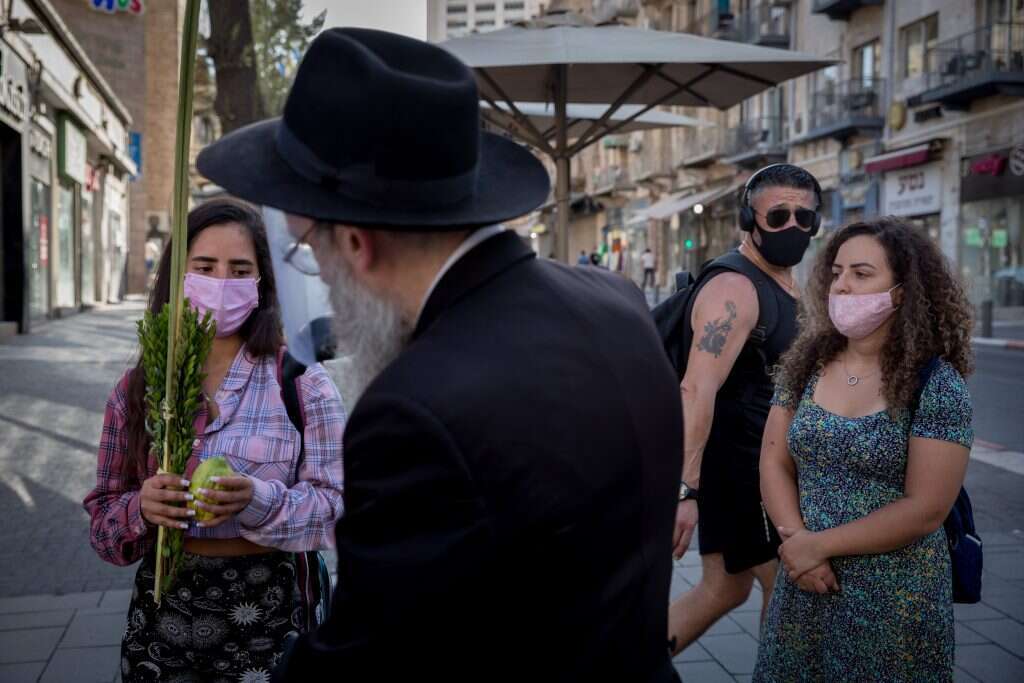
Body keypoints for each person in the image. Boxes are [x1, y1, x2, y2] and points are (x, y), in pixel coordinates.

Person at [196, 28, 683, 682]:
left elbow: (364, 659)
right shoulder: (617, 300)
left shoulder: (412, 410)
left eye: (307, 248)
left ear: (356, 244)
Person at [84, 199, 346, 682]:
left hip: (273, 617)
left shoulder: (303, 383)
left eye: (239, 269)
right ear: (178, 276)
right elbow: (103, 528)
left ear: (262, 282)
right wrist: (140, 509)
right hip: (163, 623)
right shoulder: (140, 390)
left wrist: (257, 500)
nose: (222, 282)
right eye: (205, 266)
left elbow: (335, 511)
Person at [754, 218, 974, 680]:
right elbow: (774, 460)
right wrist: (796, 543)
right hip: (805, 584)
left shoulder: (936, 385)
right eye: (836, 273)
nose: (843, 286)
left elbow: (927, 508)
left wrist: (817, 546)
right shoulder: (805, 364)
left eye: (861, 273)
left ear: (901, 291)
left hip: (894, 598)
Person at [667, 163, 822, 654]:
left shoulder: (787, 286)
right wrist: (685, 490)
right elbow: (695, 389)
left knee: (724, 588)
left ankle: (621, 663)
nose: (792, 227)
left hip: (762, 463)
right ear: (748, 220)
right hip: (740, 470)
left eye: (805, 218)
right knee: (789, 586)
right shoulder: (734, 289)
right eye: (778, 216)